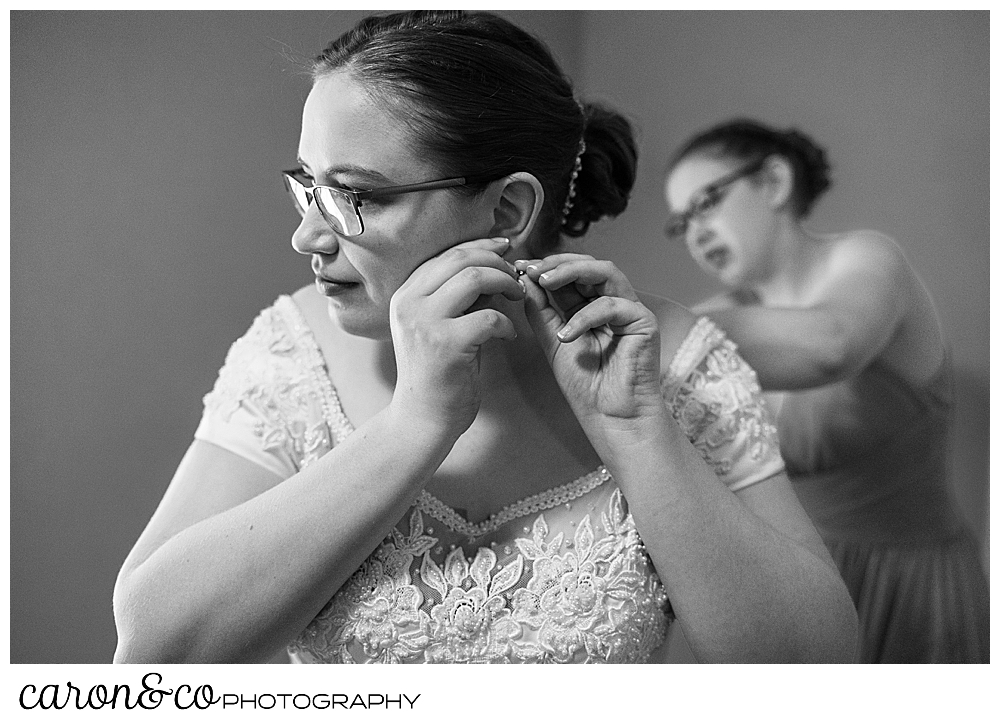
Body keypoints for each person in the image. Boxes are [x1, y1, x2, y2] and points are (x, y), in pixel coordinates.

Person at [112, 12, 856, 664]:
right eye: (309, 184)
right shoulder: (290, 353)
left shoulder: (676, 365)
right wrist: (414, 425)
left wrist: (636, 433)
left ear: (506, 212)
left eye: (355, 196)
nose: (307, 233)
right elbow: (153, 652)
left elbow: (819, 671)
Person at [663, 118, 989, 663]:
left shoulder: (867, 258)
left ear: (773, 181)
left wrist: (645, 317)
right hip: (801, 595)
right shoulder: (718, 318)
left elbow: (831, 345)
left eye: (707, 202)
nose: (695, 232)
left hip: (913, 593)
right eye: (681, 223)